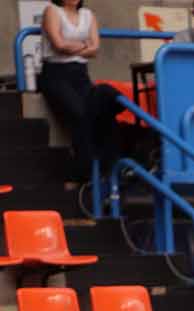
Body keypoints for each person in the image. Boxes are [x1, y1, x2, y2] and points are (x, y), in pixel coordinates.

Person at [37, 0, 118, 179]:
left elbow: (95, 48)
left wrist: (73, 47)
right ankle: (82, 173)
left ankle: (104, 168)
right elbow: (58, 44)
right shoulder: (52, 11)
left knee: (101, 110)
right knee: (79, 113)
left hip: (81, 74)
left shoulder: (88, 15)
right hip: (55, 73)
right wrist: (84, 46)